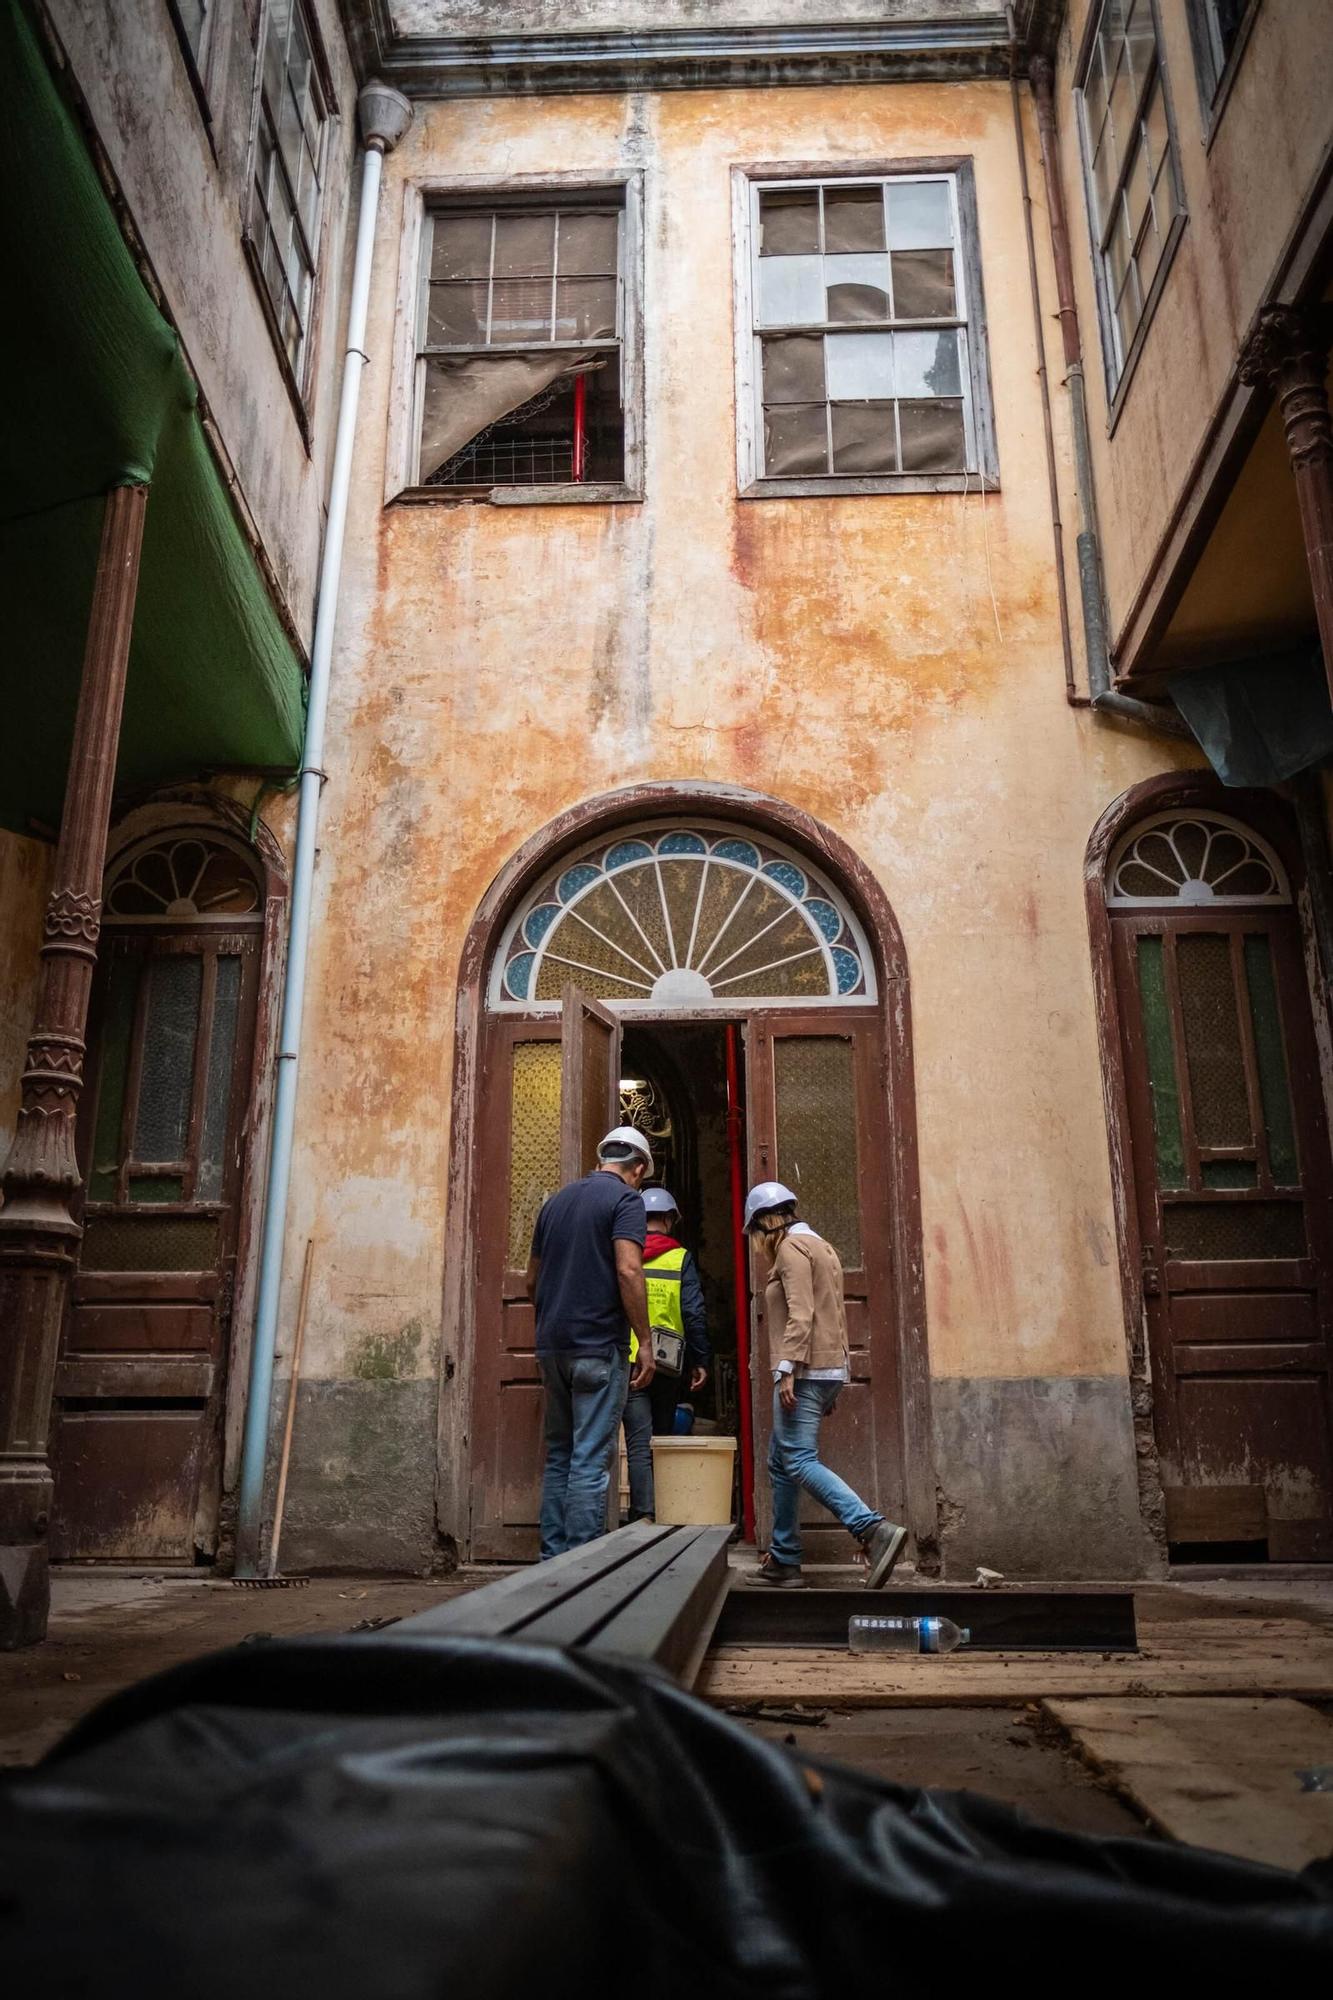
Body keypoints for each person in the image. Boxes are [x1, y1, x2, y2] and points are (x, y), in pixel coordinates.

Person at [743, 1180, 906, 1590]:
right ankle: (784, 1559)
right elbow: (833, 1314)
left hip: (806, 1368)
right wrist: (836, 1374)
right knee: (781, 1462)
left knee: (797, 1460)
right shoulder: (823, 1247)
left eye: (756, 1235)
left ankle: (872, 1528)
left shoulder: (791, 1249)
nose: (757, 1245)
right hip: (827, 1367)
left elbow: (801, 1314)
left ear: (767, 1223)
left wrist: (788, 1368)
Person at [526, 1126, 655, 1560]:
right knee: (589, 1457)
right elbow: (629, 1271)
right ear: (637, 1169)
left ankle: (551, 1559)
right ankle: (580, 1560)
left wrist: (551, 1321)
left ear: (603, 1160)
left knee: (560, 1453)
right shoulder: (626, 1201)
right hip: (599, 1346)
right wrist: (645, 1341)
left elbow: (531, 1279)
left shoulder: (556, 1203)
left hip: (553, 1347)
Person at [622, 1187, 712, 1521]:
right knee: (659, 1437)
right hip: (667, 1362)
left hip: (630, 1358)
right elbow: (693, 1312)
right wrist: (700, 1359)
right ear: (670, 1220)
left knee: (637, 1439)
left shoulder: (624, 1254)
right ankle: (660, 1511)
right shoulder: (680, 1258)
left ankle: (642, 1513)